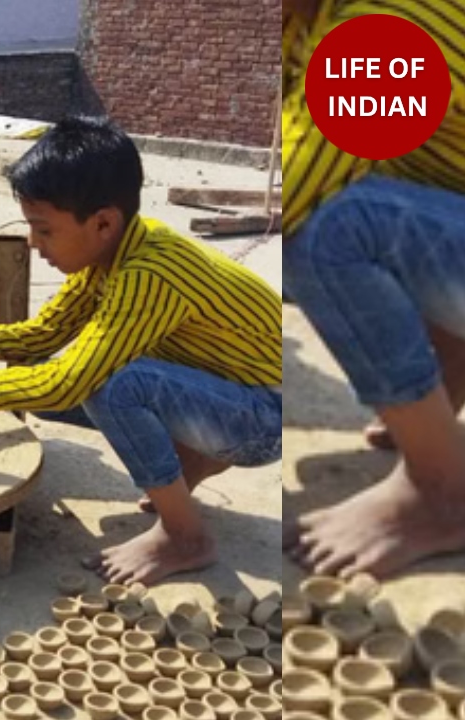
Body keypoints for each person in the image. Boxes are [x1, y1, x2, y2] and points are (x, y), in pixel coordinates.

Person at [0, 117, 282, 585]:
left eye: (44, 230)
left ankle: (186, 538)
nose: (33, 243)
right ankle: (191, 463)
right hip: (223, 392)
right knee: (40, 372)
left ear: (103, 222)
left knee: (111, 387)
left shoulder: (150, 273)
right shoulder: (114, 249)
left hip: (265, 417)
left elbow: (69, 382)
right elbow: (42, 335)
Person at [281, 0, 465, 577]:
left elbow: (289, 191)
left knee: (323, 229)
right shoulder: (315, 21)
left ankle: (441, 492)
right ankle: (445, 391)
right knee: (384, 174)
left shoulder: (387, 23)